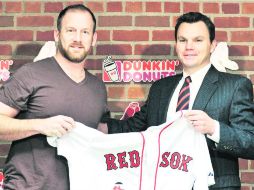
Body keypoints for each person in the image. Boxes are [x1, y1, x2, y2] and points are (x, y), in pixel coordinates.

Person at [98, 12, 254, 190]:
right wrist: (98, 127)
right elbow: (134, 127)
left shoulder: (235, 86)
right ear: (176, 45)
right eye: (182, 40)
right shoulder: (160, 88)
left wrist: (214, 128)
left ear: (212, 45)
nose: (189, 46)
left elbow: (250, 142)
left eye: (198, 40)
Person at [0, 4, 108, 190]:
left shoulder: (98, 88)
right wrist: (40, 125)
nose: (77, 38)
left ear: (94, 39)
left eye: (85, 32)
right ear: (57, 35)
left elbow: (101, 137)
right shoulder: (30, 74)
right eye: (70, 30)